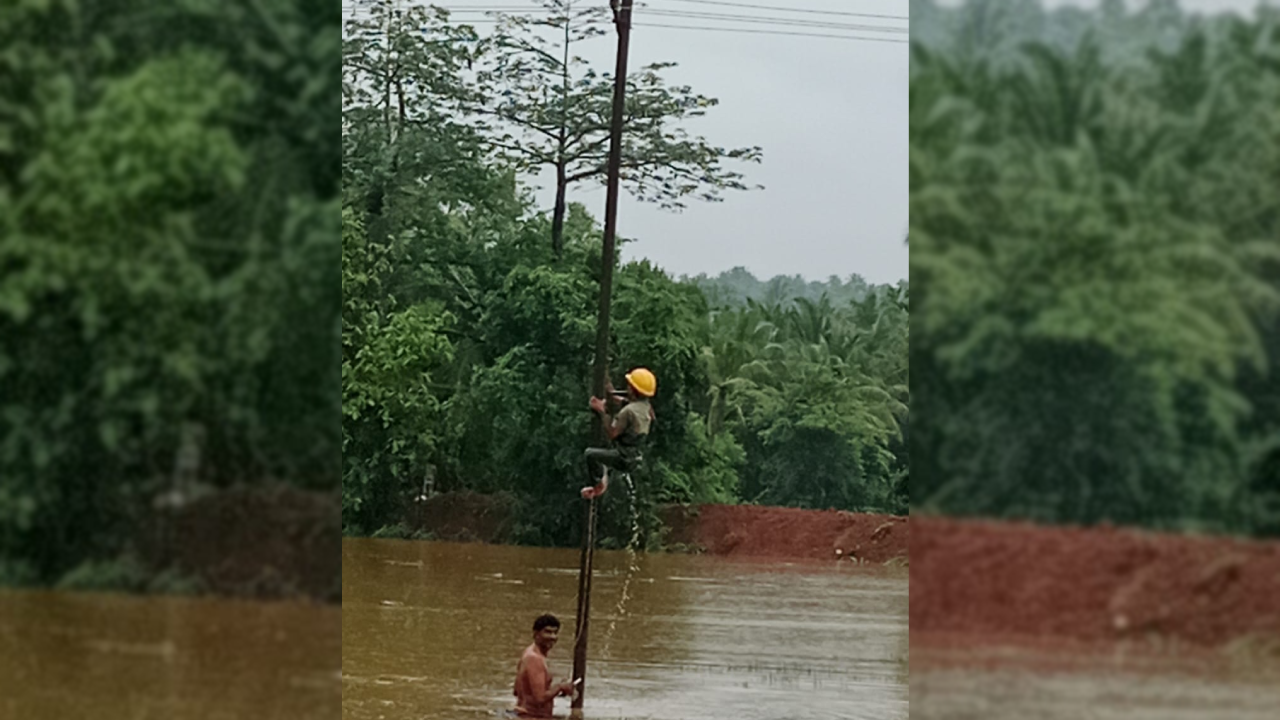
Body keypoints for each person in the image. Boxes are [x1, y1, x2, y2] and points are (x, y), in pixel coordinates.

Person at [581, 367, 656, 499]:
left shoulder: (627, 412)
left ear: (633, 390)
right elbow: (623, 400)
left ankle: (598, 485)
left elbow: (612, 433)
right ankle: (604, 474)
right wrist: (608, 384)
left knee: (590, 454)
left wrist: (601, 411)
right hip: (636, 458)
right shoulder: (646, 407)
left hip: (623, 458)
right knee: (605, 454)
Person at [512, 614, 575, 718]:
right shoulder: (535, 659)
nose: (553, 637)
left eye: (555, 632)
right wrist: (560, 687)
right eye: (548, 632)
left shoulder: (528, 653)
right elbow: (539, 698)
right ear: (536, 634)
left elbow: (516, 691)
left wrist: (556, 691)